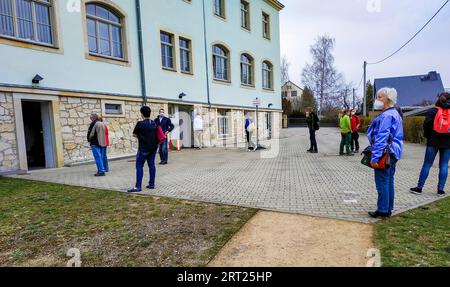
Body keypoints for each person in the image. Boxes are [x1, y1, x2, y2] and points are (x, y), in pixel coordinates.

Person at [367, 87, 404, 218]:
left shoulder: (387, 115)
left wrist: (375, 157)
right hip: (393, 152)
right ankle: (388, 208)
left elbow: (381, 137)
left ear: (387, 100)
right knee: (389, 180)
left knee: (382, 181)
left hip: (385, 153)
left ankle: (383, 209)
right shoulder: (395, 114)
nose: (377, 100)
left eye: (379, 97)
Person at [410, 92, 450, 197]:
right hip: (448, 142)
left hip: (433, 141)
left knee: (427, 164)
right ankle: (440, 190)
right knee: (444, 165)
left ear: (438, 99)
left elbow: (426, 125)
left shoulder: (433, 110)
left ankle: (419, 188)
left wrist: (429, 136)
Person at [128, 106, 159, 193]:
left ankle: (138, 186)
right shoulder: (154, 123)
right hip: (153, 148)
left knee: (139, 166)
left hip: (143, 148)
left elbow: (134, 134)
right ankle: (152, 184)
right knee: (152, 165)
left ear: (142, 113)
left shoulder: (140, 123)